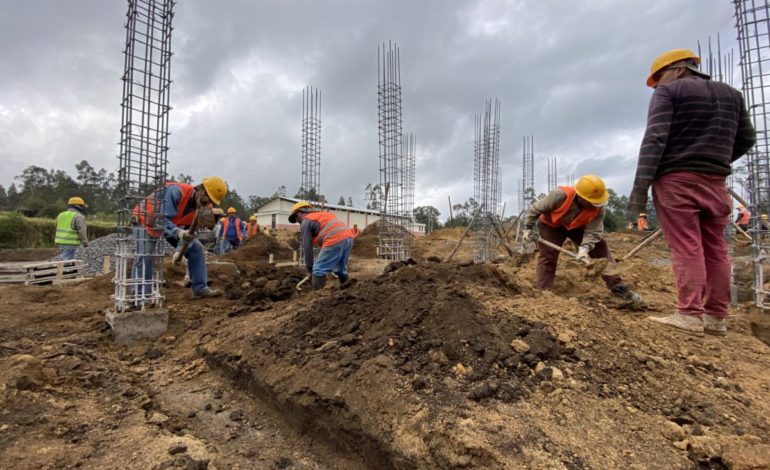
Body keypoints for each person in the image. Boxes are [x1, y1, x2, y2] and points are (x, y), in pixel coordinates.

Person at [629, 48, 755, 336]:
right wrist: (716, 159)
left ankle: (688, 314)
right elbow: (747, 138)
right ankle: (716, 318)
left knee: (686, 245)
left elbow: (655, 139)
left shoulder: (670, 92)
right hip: (716, 181)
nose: (658, 85)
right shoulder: (733, 95)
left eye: (659, 78)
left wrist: (639, 191)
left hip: (676, 179)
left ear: (678, 70)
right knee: (717, 247)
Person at [522, 175, 640, 302]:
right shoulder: (559, 195)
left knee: (600, 246)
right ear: (580, 197)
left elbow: (593, 231)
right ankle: (544, 293)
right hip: (552, 226)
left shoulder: (599, 207)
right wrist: (528, 228)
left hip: (577, 226)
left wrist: (584, 248)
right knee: (548, 256)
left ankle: (617, 286)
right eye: (592, 202)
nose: (596, 205)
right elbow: (535, 209)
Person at [132, 176, 228, 300]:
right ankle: (141, 296)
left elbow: (193, 232)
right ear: (200, 189)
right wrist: (179, 233)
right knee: (145, 255)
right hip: (146, 218)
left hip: (170, 224)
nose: (207, 203)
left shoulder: (205, 208)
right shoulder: (176, 191)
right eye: (207, 198)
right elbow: (161, 219)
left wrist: (179, 249)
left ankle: (200, 288)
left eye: (210, 201)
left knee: (196, 248)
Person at [289, 201, 355, 290]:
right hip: (348, 237)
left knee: (318, 270)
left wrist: (310, 269)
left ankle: (316, 298)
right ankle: (348, 291)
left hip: (334, 238)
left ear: (300, 212)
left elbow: (307, 247)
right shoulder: (322, 215)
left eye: (296, 217)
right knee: (341, 269)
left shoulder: (306, 221)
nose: (297, 221)